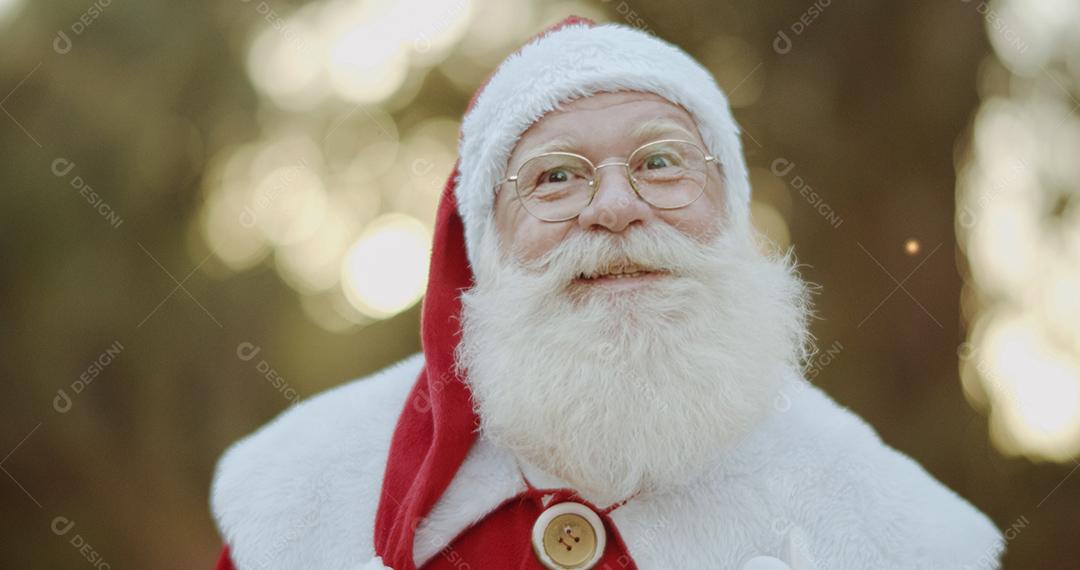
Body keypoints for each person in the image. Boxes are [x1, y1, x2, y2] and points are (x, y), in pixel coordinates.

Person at [209, 16, 1003, 570]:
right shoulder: (305, 492)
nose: (616, 208)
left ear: (729, 213)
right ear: (485, 247)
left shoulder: (894, 531)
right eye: (556, 177)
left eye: (660, 163)